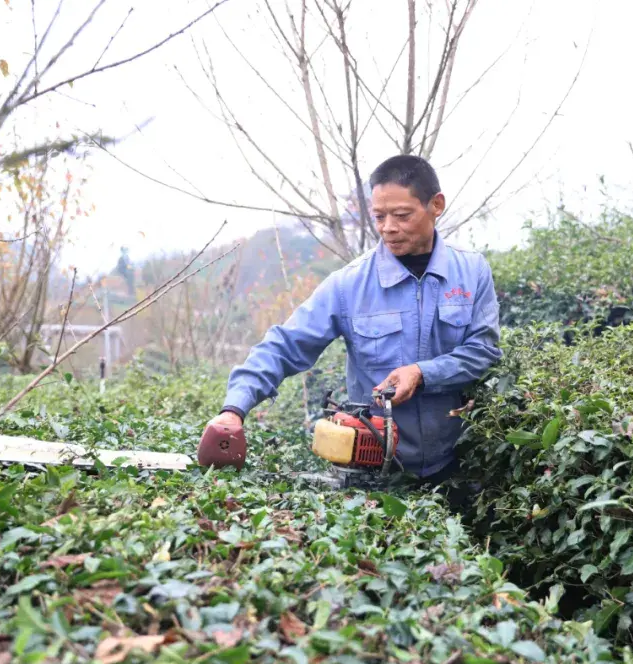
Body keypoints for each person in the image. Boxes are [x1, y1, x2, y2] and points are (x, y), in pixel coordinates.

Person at [206, 154, 503, 490]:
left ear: (436, 205)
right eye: (379, 216)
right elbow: (285, 345)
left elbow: (483, 351)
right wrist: (235, 407)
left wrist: (421, 374)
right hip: (374, 476)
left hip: (456, 467)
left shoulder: (472, 272)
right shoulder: (349, 285)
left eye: (402, 215)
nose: (388, 227)